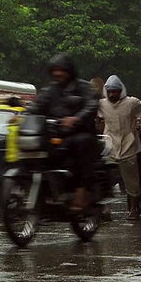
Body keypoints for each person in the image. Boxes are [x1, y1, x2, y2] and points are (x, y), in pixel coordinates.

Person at [27, 53, 100, 211]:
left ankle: (81, 191)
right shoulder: (50, 90)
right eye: (55, 70)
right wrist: (22, 116)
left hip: (81, 134)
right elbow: (36, 107)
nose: (58, 73)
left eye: (61, 70)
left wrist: (76, 118)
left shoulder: (83, 87)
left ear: (70, 71)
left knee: (81, 143)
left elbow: (92, 105)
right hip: (57, 136)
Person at [97, 75, 141, 220]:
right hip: (109, 146)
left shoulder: (131, 103)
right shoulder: (101, 104)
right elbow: (93, 116)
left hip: (129, 146)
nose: (112, 94)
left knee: (132, 181)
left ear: (120, 91)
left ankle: (134, 209)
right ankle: (104, 208)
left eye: (115, 91)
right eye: (109, 91)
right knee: (104, 179)